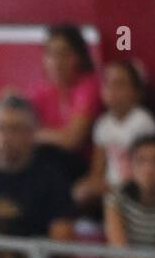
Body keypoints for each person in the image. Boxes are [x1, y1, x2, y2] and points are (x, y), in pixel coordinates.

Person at [0, 93, 76, 242]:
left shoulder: (52, 179)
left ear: (32, 132)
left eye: (15, 129)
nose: (5, 137)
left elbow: (61, 245)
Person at [72, 59, 155, 208]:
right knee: (79, 191)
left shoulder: (143, 122)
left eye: (120, 84)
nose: (113, 90)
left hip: (137, 187)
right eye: (108, 84)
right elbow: (97, 170)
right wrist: (90, 185)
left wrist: (111, 186)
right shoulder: (103, 124)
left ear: (136, 92)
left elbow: (148, 169)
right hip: (110, 189)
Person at [29, 23, 101, 179]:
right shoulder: (41, 90)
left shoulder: (88, 86)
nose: (57, 61)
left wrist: (33, 135)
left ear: (79, 57)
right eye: (51, 54)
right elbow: (17, 126)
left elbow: (72, 140)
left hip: (80, 165)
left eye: (64, 54)